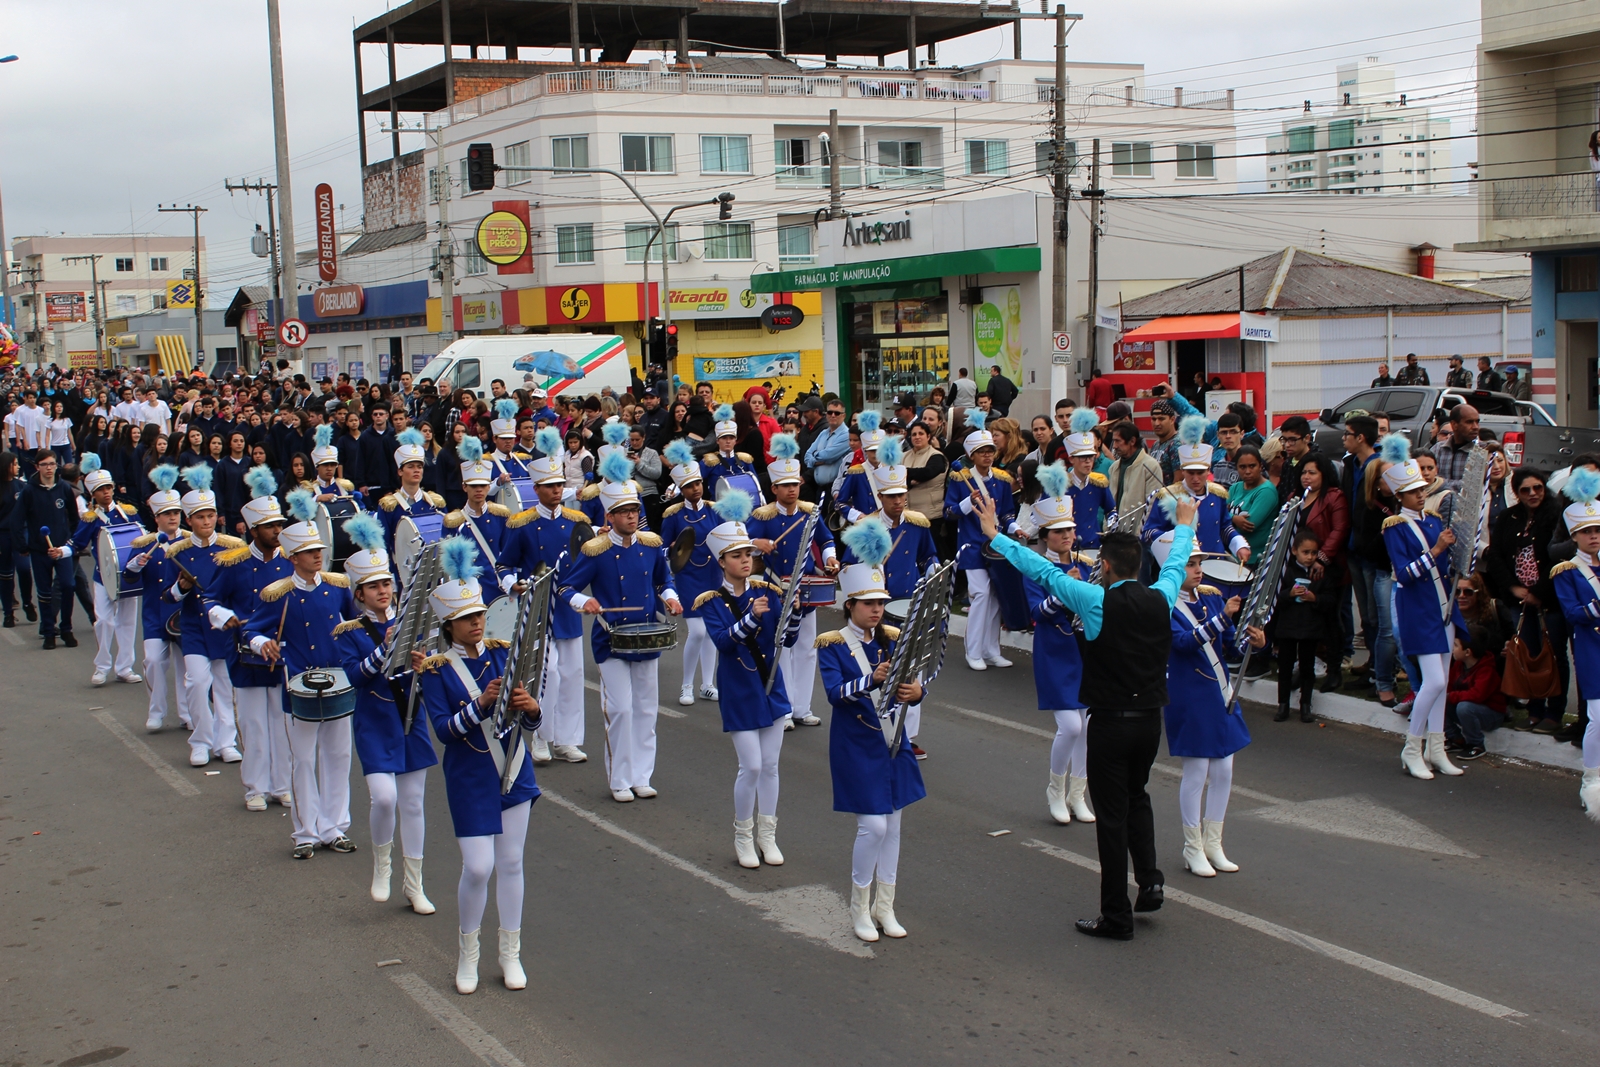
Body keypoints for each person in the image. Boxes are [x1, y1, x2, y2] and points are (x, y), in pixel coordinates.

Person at [978, 491, 1199, 940]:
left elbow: (1039, 569)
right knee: (1138, 797)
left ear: (1110, 568)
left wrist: (995, 537)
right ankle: (1151, 878)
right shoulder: (1162, 597)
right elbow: (1175, 565)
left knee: (1112, 817)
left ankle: (1116, 915)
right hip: (1149, 721)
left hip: (1112, 723)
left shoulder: (1095, 601)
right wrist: (1186, 523)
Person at [416, 539, 541, 994]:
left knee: (511, 864)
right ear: (449, 625)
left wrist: (530, 708)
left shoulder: (504, 652)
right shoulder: (435, 670)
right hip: (469, 776)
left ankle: (511, 954)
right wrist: (483, 704)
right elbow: (445, 731)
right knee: (477, 867)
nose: (477, 623)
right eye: (467, 619)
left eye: (480, 616)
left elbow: (531, 717)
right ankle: (468, 953)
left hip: (512, 768)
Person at [817, 528, 926, 943]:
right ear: (850, 605)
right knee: (873, 828)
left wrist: (918, 692)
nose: (878, 609)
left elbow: (913, 685)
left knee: (894, 827)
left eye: (881, 602)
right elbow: (833, 693)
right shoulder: (831, 644)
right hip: (857, 745)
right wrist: (868, 679)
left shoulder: (894, 640)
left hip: (894, 743)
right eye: (869, 603)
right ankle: (859, 906)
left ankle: (886, 906)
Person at [556, 455, 684, 803]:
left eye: (634, 509)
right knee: (621, 709)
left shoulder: (651, 545)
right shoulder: (595, 550)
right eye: (624, 511)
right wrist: (586, 603)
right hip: (611, 639)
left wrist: (671, 598)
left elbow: (664, 581)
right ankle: (619, 778)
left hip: (647, 636)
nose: (631, 515)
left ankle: (642, 775)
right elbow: (566, 588)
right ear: (609, 516)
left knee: (646, 707)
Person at [243, 490, 358, 859]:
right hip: (299, 686)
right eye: (310, 552)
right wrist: (264, 645)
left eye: (319, 550)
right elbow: (250, 631)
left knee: (339, 757)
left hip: (338, 680)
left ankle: (335, 827)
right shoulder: (279, 593)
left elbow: (355, 623)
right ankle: (306, 832)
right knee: (303, 760)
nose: (318, 556)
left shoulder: (338, 587)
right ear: (294, 558)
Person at [334, 513, 439, 913]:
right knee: (383, 797)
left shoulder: (413, 623)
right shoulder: (351, 631)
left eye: (386, 583)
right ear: (359, 593)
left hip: (411, 717)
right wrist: (385, 648)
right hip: (376, 723)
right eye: (374, 586)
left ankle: (415, 885)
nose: (383, 590)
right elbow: (355, 677)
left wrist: (423, 662)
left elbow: (434, 665)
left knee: (413, 803)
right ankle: (382, 865)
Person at [698, 490, 800, 867]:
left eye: (749, 554)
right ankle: (743, 835)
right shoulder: (709, 601)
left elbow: (785, 640)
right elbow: (724, 643)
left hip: (771, 686)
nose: (746, 561)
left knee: (771, 765)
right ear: (722, 560)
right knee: (752, 766)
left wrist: (795, 612)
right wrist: (752, 618)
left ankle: (768, 834)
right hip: (739, 690)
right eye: (738, 555)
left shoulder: (767, 592)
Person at [1155, 528, 1263, 878]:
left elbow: (1230, 648)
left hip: (1219, 692)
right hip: (1188, 696)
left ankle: (1213, 841)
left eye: (1199, 562)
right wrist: (1221, 621)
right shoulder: (1163, 605)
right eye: (1189, 564)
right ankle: (1192, 846)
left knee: (1224, 770)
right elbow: (1183, 643)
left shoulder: (1212, 598)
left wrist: (1255, 643)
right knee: (1197, 772)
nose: (1198, 569)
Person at [199, 465, 295, 811]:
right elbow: (210, 599)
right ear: (254, 530)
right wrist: (225, 618)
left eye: (280, 525)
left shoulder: (290, 562)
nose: (277, 531)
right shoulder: (233, 562)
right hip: (245, 654)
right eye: (271, 526)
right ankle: (255, 787)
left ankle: (282, 783)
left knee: (283, 723)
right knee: (253, 725)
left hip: (284, 656)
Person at [1379, 434, 1466, 781]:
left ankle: (1437, 748)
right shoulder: (1394, 527)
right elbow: (1405, 573)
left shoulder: (1432, 520)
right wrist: (1436, 552)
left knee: (1442, 684)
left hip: (1443, 605)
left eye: (1422, 489)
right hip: (1417, 607)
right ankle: (1412, 747)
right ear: (1400, 495)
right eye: (1414, 491)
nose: (1421, 493)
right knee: (1433, 681)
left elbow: (1446, 566)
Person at [501, 428, 590, 764]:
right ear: (536, 489)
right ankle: (540, 735)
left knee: (572, 674)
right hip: (537, 608)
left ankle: (567, 738)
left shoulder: (577, 521)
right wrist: (513, 584)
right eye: (550, 487)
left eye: (559, 486)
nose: (557, 492)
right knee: (545, 675)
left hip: (567, 607)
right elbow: (503, 565)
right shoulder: (521, 524)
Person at [748, 433, 840, 729]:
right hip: (775, 588)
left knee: (806, 648)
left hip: (806, 588)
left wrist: (829, 558)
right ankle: (784, 708)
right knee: (781, 647)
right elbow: (741, 542)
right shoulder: (763, 516)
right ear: (774, 488)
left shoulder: (810, 513)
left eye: (795, 484)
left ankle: (802, 707)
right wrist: (757, 542)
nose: (792, 490)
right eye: (785, 485)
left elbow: (825, 538)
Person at [1021, 463, 1096, 825]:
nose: (1065, 535)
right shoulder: (1035, 567)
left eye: (1068, 528)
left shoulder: (1086, 564)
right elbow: (1038, 611)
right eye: (1057, 531)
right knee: (1071, 726)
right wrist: (1067, 591)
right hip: (1054, 652)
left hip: (1084, 651)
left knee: (1088, 725)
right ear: (1046, 535)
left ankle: (1079, 794)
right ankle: (1055, 790)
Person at [166, 465, 249, 767]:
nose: (206, 521)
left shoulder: (233, 548)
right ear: (189, 520)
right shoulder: (178, 551)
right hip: (193, 628)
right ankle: (201, 740)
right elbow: (167, 596)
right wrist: (180, 586)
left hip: (224, 628)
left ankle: (225, 741)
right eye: (199, 517)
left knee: (225, 685)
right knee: (198, 682)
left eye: (210, 515)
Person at [1484, 468, 1569, 732]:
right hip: (1517, 598)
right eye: (1525, 490)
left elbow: (1557, 559)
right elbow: (1495, 555)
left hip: (1550, 599)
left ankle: (1554, 714)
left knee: (1553, 656)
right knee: (1527, 654)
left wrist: (1537, 593)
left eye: (1538, 488)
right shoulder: (1509, 517)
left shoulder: (1556, 516)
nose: (1532, 494)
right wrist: (1513, 587)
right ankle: (1534, 711)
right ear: (1517, 493)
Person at [944, 410, 1017, 671]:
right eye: (982, 451)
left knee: (997, 596)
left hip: (997, 545)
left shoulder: (1002, 480)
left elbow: (1007, 512)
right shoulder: (959, 479)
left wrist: (1016, 527)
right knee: (981, 594)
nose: (987, 455)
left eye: (991, 450)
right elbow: (949, 513)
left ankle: (991, 650)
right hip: (973, 546)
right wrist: (968, 501)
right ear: (972, 455)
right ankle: (973, 651)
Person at [69, 453, 144, 686]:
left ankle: (124, 667)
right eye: (101, 489)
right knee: (103, 621)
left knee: (128, 622)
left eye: (109, 488)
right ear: (93, 493)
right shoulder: (91, 518)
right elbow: (77, 544)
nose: (107, 492)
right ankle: (101, 667)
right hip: (103, 576)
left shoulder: (128, 512)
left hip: (129, 576)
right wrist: (61, 551)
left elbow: (140, 538)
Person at [1551, 467, 1600, 821]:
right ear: (1575, 536)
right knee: (1597, 717)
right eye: (1586, 532)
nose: (1594, 537)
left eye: (1598, 530)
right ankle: (1591, 778)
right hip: (1590, 648)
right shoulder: (1566, 571)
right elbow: (1573, 614)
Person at [125, 466, 190, 731]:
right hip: (154, 614)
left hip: (183, 615)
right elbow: (127, 580)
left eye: (176, 513)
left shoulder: (190, 542)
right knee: (152, 661)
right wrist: (135, 566)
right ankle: (156, 711)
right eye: (167, 514)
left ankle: (187, 714)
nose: (172, 517)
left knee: (187, 669)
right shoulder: (143, 543)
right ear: (157, 518)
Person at [660, 440, 721, 706]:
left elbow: (725, 540)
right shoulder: (672, 515)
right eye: (688, 486)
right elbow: (661, 549)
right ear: (681, 489)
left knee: (710, 632)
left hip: (712, 575)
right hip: (686, 577)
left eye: (697, 484)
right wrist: (672, 551)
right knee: (696, 631)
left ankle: (707, 684)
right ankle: (686, 685)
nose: (695, 489)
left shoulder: (713, 510)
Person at [1142, 418, 1252, 561]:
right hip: (1183, 566)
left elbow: (1224, 527)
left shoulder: (1217, 494)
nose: (1195, 478)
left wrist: (1239, 545)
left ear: (1208, 471)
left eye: (1200, 473)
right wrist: (1174, 539)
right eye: (1190, 473)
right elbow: (1149, 532)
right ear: (1182, 471)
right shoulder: (1166, 496)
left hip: (1215, 563)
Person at [15, 449, 80, 649]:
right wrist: (24, 546)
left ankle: (67, 629)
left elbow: (75, 519)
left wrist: (70, 544)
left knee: (68, 586)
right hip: (39, 550)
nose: (49, 468)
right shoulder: (29, 491)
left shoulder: (63, 488)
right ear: (37, 467)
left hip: (61, 550)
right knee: (44, 593)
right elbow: (17, 521)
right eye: (45, 464)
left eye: (52, 464)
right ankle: (49, 633)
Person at [1273, 529, 1337, 722]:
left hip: (1310, 627)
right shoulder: (1286, 571)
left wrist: (1314, 598)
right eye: (1305, 552)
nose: (1310, 557)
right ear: (1294, 551)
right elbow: (1275, 597)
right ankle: (1283, 705)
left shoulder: (1320, 573)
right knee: (1284, 667)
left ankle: (1305, 705)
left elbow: (1331, 600)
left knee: (1307, 668)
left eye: (1314, 553)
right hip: (1288, 627)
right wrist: (1290, 595)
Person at [443, 437, 515, 606]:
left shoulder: (500, 515)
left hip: (497, 585)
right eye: (474, 486)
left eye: (482, 486)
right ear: (464, 487)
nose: (479, 490)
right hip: (469, 590)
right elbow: (450, 565)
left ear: (488, 487)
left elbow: (508, 554)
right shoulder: (453, 522)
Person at [376, 429, 447, 558]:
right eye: (411, 466)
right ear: (400, 471)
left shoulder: (435, 502)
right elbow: (384, 544)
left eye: (419, 467)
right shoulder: (388, 506)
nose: (416, 471)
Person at [1441, 623, 1504, 760]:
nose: (1452, 648)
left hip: (1490, 714)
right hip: (1467, 710)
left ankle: (1476, 744)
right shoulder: (1459, 664)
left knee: (1465, 707)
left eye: (1456, 645)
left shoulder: (1487, 671)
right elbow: (1450, 685)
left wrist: (1451, 696)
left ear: (1468, 652)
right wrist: (1445, 696)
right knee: (1438, 701)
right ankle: (1455, 738)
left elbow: (1477, 695)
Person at [1061, 410, 1116, 549]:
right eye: (1082, 457)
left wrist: (1112, 521)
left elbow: (1111, 509)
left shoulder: (1099, 483)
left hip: (1093, 546)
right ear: (1071, 459)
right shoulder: (1060, 485)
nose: (1088, 462)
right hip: (1067, 550)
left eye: (1091, 457)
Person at [1107, 421, 1162, 517]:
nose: (1114, 446)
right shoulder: (1114, 468)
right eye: (1113, 441)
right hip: (1114, 530)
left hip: (1137, 531)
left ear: (1132, 441)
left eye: (1118, 441)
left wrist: (1140, 531)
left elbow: (1152, 507)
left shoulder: (1151, 466)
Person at [1431, 405, 1481, 493]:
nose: (1475, 427)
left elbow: (1472, 485)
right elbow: (1427, 479)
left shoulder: (1482, 451)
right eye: (1469, 422)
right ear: (1454, 424)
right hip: (1440, 504)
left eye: (1477, 422)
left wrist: (1440, 484)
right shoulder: (1438, 449)